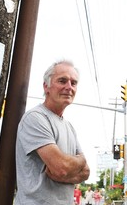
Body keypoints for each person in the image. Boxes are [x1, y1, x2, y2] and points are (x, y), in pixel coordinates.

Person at [14, 60, 90, 204]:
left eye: (73, 83)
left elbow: (86, 172)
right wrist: (78, 162)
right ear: (46, 86)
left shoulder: (69, 127)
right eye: (62, 81)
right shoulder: (35, 118)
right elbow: (61, 167)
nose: (69, 87)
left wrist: (70, 170)